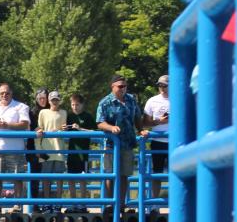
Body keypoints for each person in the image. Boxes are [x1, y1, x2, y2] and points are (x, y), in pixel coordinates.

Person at [95, 74, 141, 214]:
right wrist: (111, 128)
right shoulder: (105, 102)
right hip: (111, 144)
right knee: (111, 174)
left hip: (128, 143)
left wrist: (142, 130)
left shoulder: (131, 100)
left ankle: (121, 204)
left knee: (124, 175)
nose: (123, 89)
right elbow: (99, 122)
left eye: (125, 86)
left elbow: (138, 118)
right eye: (120, 86)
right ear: (112, 87)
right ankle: (110, 204)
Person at [0, 83, 32, 212]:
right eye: (1, 93)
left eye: (7, 93)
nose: (4, 95)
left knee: (18, 179)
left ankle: (17, 205)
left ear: (11, 93)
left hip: (15, 149)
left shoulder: (21, 107)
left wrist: (7, 125)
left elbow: (25, 124)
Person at [36, 91, 69, 208]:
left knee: (59, 178)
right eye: (52, 100)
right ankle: (46, 203)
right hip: (46, 149)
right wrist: (38, 149)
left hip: (59, 149)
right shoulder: (43, 112)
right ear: (49, 101)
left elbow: (64, 130)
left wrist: (63, 131)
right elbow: (39, 130)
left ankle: (58, 203)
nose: (55, 102)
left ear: (59, 100)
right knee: (46, 178)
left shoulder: (64, 112)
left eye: (56, 99)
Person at [141, 74, 171, 201]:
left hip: (175, 142)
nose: (162, 88)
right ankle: (154, 204)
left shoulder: (180, 99)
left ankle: (177, 204)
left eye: (165, 85)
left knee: (177, 174)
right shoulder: (152, 101)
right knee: (156, 174)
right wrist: (159, 121)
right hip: (157, 141)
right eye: (159, 85)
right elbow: (144, 123)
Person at [64, 93, 95, 206]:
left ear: (82, 105)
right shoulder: (69, 116)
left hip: (83, 154)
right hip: (71, 153)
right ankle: (73, 204)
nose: (74, 107)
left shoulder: (88, 116)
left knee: (82, 179)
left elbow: (94, 132)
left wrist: (80, 128)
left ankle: (82, 204)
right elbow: (63, 130)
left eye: (77, 104)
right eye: (72, 104)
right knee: (71, 179)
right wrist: (63, 128)